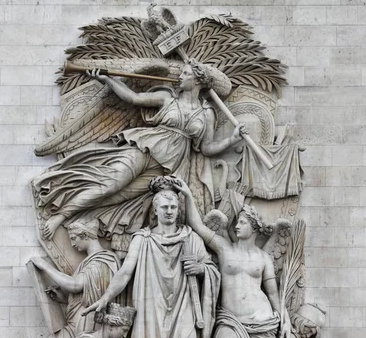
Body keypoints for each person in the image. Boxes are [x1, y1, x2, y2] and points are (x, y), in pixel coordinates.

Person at [33, 59, 246, 245]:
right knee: (109, 184)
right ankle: (60, 216)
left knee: (119, 197)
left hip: (168, 167)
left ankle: (77, 215)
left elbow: (207, 148)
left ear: (198, 81)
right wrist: (107, 80)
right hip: (146, 148)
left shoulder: (206, 113)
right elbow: (133, 98)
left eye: (186, 74)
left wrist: (231, 139)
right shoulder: (167, 98)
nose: (180, 76)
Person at [84, 178, 220, 338]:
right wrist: (105, 298)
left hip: (184, 304)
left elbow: (211, 268)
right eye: (164, 207)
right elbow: (125, 272)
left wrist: (201, 269)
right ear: (155, 210)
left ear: (179, 210)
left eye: (173, 207)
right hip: (153, 306)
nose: (169, 211)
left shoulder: (191, 238)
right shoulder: (142, 239)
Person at [175, 179, 291, 338]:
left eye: (242, 222)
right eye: (237, 222)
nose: (237, 225)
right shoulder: (224, 248)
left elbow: (272, 293)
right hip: (230, 323)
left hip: (262, 325)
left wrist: (284, 320)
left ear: (255, 228)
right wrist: (187, 196)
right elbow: (199, 227)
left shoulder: (264, 258)